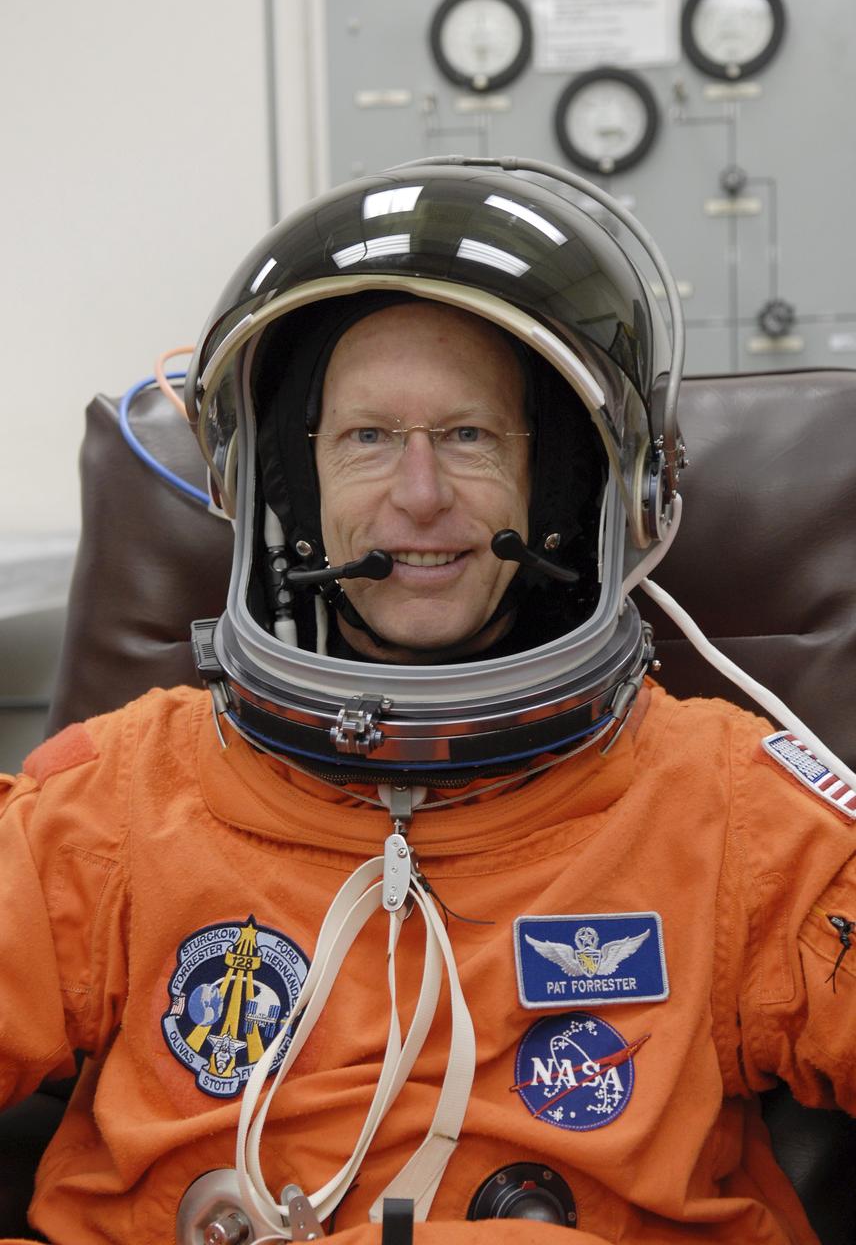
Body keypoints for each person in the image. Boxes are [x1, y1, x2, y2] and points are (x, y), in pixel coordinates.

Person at [1, 157, 855, 1245]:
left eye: (468, 436)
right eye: (367, 438)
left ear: (570, 485)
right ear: (287, 486)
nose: (418, 494)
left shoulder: (730, 812)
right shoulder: (116, 804)